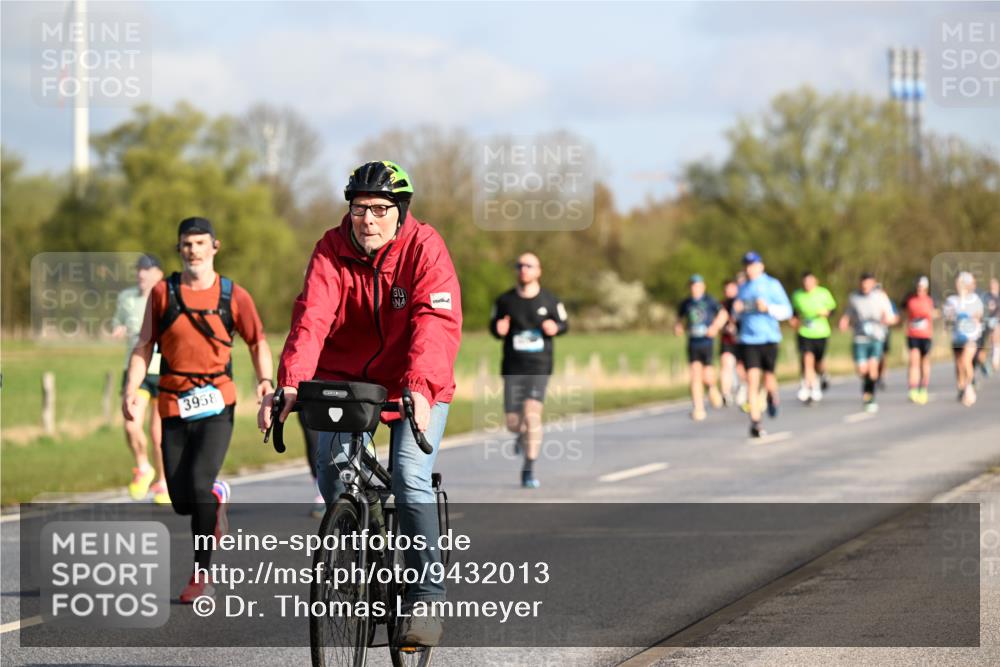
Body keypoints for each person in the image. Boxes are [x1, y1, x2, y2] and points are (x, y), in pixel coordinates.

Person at [260, 161, 462, 647]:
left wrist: (418, 383)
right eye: (357, 209)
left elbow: (434, 324)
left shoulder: (424, 249)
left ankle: (426, 598)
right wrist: (291, 384)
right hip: (345, 382)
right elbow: (311, 320)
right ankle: (353, 568)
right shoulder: (331, 249)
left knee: (410, 477)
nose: (366, 220)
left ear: (400, 211)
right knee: (332, 472)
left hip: (415, 383)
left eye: (378, 209)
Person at [124, 217, 273, 603]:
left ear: (214, 247)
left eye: (200, 243)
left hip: (217, 402)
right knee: (180, 501)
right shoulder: (162, 293)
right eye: (187, 244)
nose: (193, 250)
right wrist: (129, 388)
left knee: (199, 485)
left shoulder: (233, 295)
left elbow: (257, 341)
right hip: (173, 403)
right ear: (179, 249)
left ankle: (201, 572)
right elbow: (144, 345)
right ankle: (217, 495)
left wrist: (264, 381)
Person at [490, 253, 569, 485]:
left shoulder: (550, 300)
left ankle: (529, 469)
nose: (523, 269)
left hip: (539, 366)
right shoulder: (505, 301)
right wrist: (499, 329)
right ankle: (521, 436)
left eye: (529, 265)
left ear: (538, 270)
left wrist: (556, 327)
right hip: (513, 367)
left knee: (533, 416)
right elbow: (493, 326)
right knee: (514, 423)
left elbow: (565, 323)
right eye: (520, 265)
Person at [111, 254, 168, 504]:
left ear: (158, 273)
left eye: (146, 270)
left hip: (163, 370)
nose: (141, 275)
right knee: (131, 424)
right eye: (138, 270)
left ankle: (164, 483)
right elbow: (117, 321)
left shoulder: (169, 296)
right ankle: (144, 467)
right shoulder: (126, 298)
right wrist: (117, 328)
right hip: (136, 369)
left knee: (158, 434)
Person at [733, 252, 792, 438]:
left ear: (761, 266)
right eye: (746, 265)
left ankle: (772, 397)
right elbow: (736, 315)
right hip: (749, 340)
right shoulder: (743, 288)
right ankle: (756, 422)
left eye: (753, 265)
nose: (749, 268)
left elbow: (787, 311)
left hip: (769, 338)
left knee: (769, 378)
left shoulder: (772, 285)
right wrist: (737, 312)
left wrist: (768, 308)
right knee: (752, 381)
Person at [838, 272, 897, 412]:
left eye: (868, 282)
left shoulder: (880, 297)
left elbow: (891, 315)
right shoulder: (854, 297)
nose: (865, 285)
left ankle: (870, 397)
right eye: (863, 282)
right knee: (862, 370)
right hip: (860, 338)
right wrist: (844, 321)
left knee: (873, 370)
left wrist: (888, 320)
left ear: (872, 283)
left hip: (876, 337)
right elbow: (848, 313)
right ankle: (867, 387)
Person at [674, 274, 724, 420]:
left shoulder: (709, 300)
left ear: (703, 286)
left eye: (697, 285)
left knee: (707, 376)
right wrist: (678, 327)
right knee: (695, 375)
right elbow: (679, 319)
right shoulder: (686, 303)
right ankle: (698, 408)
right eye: (692, 285)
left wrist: (715, 327)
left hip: (706, 342)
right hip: (693, 342)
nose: (694, 288)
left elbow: (722, 314)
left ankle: (712, 388)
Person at [790, 271, 837, 404]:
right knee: (807, 360)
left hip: (821, 332)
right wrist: (793, 321)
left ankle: (823, 374)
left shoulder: (823, 293)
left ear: (815, 281)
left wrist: (826, 312)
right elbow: (794, 312)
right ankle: (812, 387)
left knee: (819, 362)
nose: (807, 284)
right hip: (804, 332)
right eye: (805, 282)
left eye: (810, 281)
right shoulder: (797, 295)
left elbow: (833, 309)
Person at [943, 271, 984, 406]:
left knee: (966, 361)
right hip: (957, 336)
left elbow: (978, 316)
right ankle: (961, 387)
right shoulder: (952, 300)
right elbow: (947, 318)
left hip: (971, 337)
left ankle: (969, 386)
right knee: (959, 364)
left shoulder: (975, 300)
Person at [901, 276, 936, 404]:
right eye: (917, 287)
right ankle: (913, 389)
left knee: (924, 362)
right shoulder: (909, 299)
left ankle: (923, 388)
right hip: (912, 335)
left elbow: (936, 313)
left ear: (926, 288)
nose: (919, 289)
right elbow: (904, 313)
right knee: (913, 361)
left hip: (926, 336)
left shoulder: (930, 300)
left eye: (921, 287)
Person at [718, 279, 743, 407]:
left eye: (731, 288)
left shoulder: (742, 302)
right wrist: (724, 328)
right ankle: (725, 394)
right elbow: (717, 323)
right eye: (726, 289)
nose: (729, 291)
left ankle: (742, 389)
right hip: (727, 340)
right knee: (726, 363)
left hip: (742, 340)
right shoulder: (721, 305)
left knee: (741, 368)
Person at [977, 277, 999, 378]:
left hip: (997, 322)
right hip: (986, 324)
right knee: (982, 347)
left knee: (996, 335)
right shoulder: (985, 297)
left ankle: (995, 358)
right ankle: (985, 364)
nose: (992, 286)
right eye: (991, 284)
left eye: (994, 284)